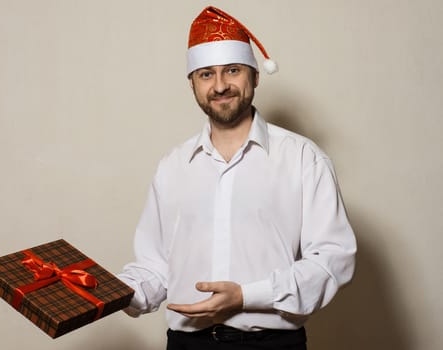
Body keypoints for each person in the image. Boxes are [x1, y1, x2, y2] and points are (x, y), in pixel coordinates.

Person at [118, 6, 356, 350]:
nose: (219, 86)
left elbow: (334, 259)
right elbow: (154, 268)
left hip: (272, 344)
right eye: (205, 74)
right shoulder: (172, 166)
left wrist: (246, 296)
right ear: (192, 84)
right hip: (186, 345)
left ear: (255, 76)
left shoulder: (304, 158)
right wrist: (106, 294)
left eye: (232, 71)